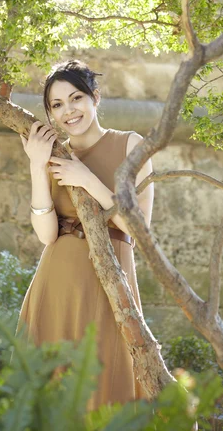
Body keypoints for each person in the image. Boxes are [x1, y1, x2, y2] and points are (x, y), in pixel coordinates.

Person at [16, 58, 154, 411]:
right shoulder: (53, 155)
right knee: (51, 391)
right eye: (57, 105)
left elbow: (138, 227)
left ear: (95, 97)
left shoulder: (130, 145)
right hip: (56, 282)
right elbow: (47, 234)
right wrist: (36, 165)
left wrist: (86, 179)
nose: (68, 111)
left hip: (109, 283)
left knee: (106, 384)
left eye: (76, 98)